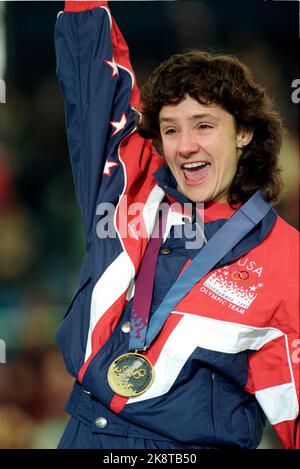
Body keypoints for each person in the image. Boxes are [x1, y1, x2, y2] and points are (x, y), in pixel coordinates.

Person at [55, 1, 299, 449]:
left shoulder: (287, 259)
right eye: (170, 130)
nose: (186, 146)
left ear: (244, 132)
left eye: (203, 126)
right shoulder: (127, 187)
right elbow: (91, 78)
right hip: (83, 433)